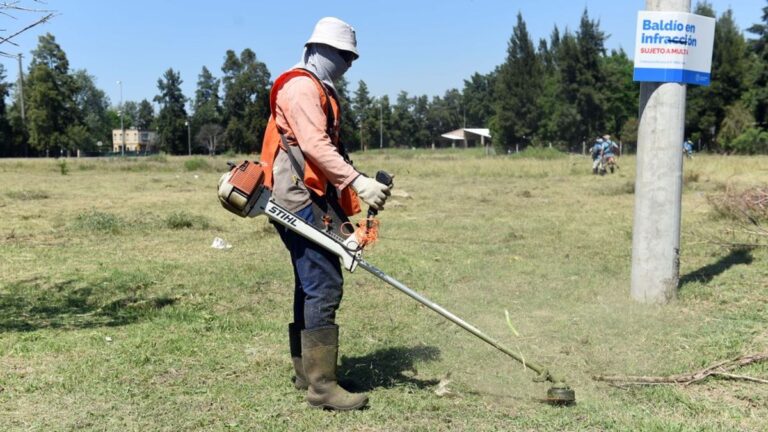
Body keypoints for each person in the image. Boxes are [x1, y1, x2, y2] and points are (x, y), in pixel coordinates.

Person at [258, 17, 391, 411]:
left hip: (303, 195)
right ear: (317, 50)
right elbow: (314, 145)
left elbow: (325, 147)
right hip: (295, 198)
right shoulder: (301, 87)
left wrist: (356, 181)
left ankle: (307, 373)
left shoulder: (319, 88)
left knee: (309, 281)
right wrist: (358, 182)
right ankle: (321, 387)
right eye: (342, 54)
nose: (348, 63)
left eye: (351, 56)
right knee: (323, 283)